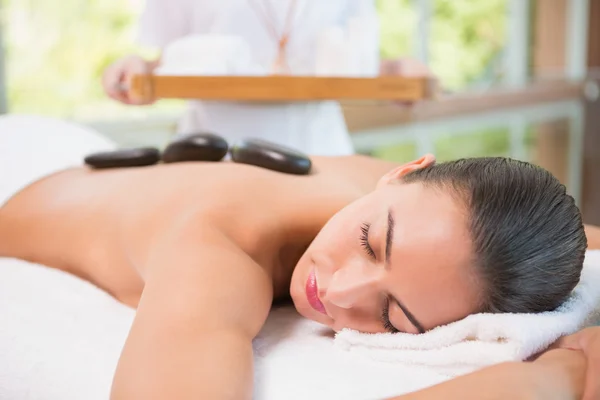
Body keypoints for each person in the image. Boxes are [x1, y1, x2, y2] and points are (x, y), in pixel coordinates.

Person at [0, 114, 599, 399]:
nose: (338, 293)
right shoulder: (215, 250)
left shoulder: (383, 196)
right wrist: (554, 379)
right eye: (371, 242)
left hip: (116, 166)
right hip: (24, 161)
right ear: (403, 173)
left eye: (393, 316)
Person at [102, 0, 429, 156]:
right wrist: (140, 70)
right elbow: (174, 59)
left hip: (323, 155)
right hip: (214, 158)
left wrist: (395, 72)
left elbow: (352, 60)